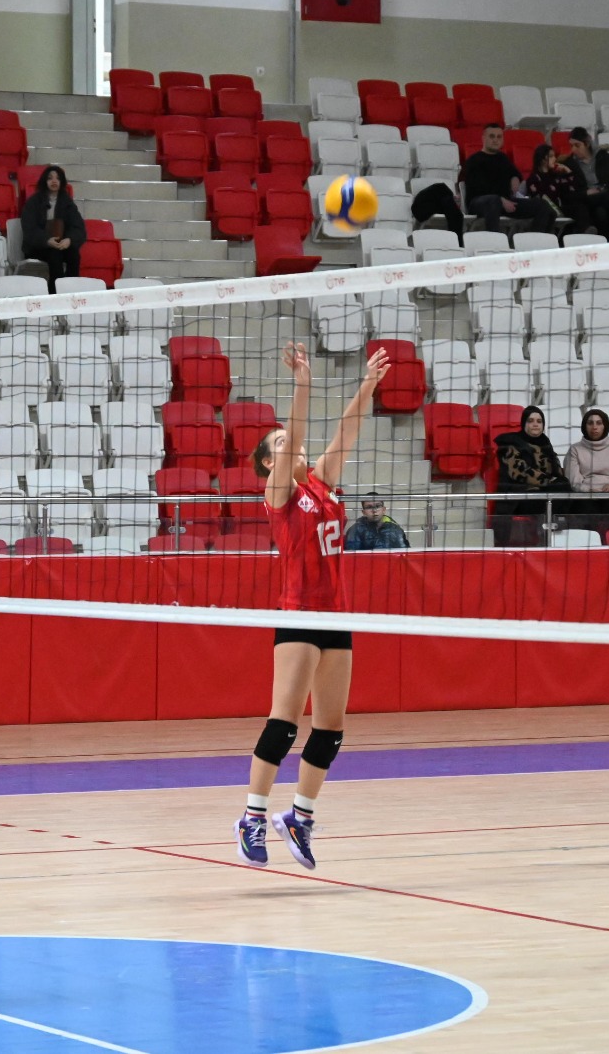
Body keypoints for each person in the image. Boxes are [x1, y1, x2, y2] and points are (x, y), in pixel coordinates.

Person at [236, 342, 389, 870]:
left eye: (289, 441)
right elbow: (297, 436)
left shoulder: (321, 485)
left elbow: (346, 432)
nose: (292, 446)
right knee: (284, 724)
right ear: (268, 462)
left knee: (330, 728)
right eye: (280, 444)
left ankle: (300, 817)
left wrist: (367, 384)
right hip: (298, 615)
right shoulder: (278, 493)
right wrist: (302, 383)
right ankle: (252, 815)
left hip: (335, 617)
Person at [492, 405, 572, 547]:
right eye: (531, 421)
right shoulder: (510, 443)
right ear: (524, 423)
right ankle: (548, 536)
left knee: (569, 490)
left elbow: (556, 470)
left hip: (546, 493)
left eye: (539, 421)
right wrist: (549, 481)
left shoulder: (545, 444)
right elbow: (519, 471)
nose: (535, 424)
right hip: (521, 496)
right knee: (560, 490)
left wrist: (558, 481)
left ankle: (564, 539)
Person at [462, 123, 555, 234]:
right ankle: (495, 241)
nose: (495, 140)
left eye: (499, 137)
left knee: (543, 206)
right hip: (480, 202)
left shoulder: (503, 158)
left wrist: (515, 178)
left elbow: (515, 173)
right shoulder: (473, 160)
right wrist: (501, 199)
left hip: (505, 202)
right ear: (483, 138)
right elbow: (477, 189)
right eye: (492, 136)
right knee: (493, 201)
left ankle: (535, 239)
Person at [19, 165, 86, 292]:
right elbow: (29, 229)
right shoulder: (33, 202)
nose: (54, 181)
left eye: (57, 178)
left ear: (62, 182)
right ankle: (54, 294)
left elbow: (78, 228)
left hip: (61, 244)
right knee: (55, 255)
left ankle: (71, 292)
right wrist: (46, 240)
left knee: (74, 255)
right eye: (50, 178)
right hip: (38, 246)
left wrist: (69, 240)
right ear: (44, 181)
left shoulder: (67, 203)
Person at [563, 407, 609, 531]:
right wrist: (589, 490)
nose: (594, 427)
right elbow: (573, 481)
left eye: (599, 423)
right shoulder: (575, 449)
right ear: (585, 426)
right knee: (583, 507)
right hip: (585, 495)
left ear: (605, 426)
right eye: (590, 423)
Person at [566, 127, 609, 239]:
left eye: (577, 145)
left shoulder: (603, 157)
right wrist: (587, 193)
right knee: (603, 207)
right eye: (571, 146)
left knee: (602, 210)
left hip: (605, 198)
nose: (573, 149)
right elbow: (571, 193)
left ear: (587, 144)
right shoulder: (570, 164)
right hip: (586, 200)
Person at [522, 143, 581, 230]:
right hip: (546, 211)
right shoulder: (533, 179)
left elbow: (572, 189)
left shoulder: (555, 176)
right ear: (543, 159)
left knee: (579, 207)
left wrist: (568, 171)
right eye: (551, 156)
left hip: (559, 209)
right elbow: (541, 198)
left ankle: (585, 231)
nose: (555, 159)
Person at [343, 497, 409, 550]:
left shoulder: (395, 529)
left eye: (378, 506)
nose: (374, 510)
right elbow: (351, 557)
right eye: (369, 507)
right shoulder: (355, 530)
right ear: (364, 512)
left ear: (383, 510)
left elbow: (405, 554)